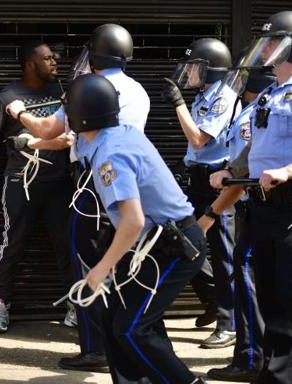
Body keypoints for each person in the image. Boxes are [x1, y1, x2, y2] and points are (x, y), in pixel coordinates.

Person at [5, 23, 152, 372]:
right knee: (123, 266)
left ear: (97, 54)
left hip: (91, 185)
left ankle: (95, 349)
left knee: (85, 265)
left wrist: (18, 111)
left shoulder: (86, 88)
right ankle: (122, 343)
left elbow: (47, 129)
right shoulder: (138, 90)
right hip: (127, 186)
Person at [67, 73, 208, 384]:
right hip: (152, 245)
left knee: (132, 328)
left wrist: (102, 267)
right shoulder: (116, 134)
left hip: (174, 247)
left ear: (80, 114)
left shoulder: (110, 154)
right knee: (113, 317)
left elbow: (133, 221)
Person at [0, 40, 74, 334]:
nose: (54, 62)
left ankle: (77, 306)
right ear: (30, 64)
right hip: (21, 180)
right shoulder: (8, 96)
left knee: (67, 245)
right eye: (47, 59)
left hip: (60, 181)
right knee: (13, 243)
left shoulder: (64, 93)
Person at [209, 11, 292, 383]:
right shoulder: (271, 93)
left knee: (287, 292)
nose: (267, 48)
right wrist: (233, 171)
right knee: (271, 291)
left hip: (288, 199)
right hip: (262, 201)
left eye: (274, 42)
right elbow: (255, 145)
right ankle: (275, 371)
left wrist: (288, 171)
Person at [200, 66, 276, 382]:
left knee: (246, 279)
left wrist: (213, 212)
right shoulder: (254, 111)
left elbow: (243, 174)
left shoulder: (253, 115)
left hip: (257, 206)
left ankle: (251, 358)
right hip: (253, 207)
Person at [161, 37, 238, 348]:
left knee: (223, 253)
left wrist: (178, 104)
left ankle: (230, 321)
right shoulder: (205, 95)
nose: (189, 72)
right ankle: (210, 298)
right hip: (196, 179)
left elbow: (198, 140)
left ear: (211, 69)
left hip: (217, 183)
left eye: (194, 66)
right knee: (180, 241)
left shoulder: (223, 98)